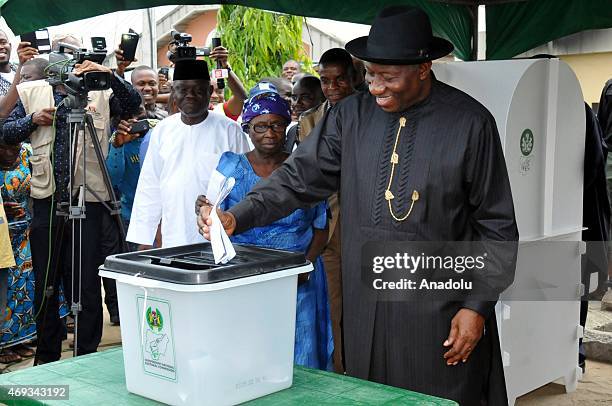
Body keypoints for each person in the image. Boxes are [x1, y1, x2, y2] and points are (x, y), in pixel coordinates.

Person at [198, 6, 518, 405]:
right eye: (370, 73)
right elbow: (298, 179)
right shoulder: (350, 117)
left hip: (439, 309)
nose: (376, 86)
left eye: (388, 76)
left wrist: (477, 307)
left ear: (423, 67)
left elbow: (498, 228)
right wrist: (235, 216)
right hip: (367, 308)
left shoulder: (471, 123)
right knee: (372, 395)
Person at [1, 50, 142, 363]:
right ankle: (47, 356)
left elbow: (134, 104)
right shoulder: (31, 92)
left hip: (89, 199)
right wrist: (32, 120)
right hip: (46, 199)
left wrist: (108, 74)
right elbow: (5, 130)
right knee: (47, 282)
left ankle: (87, 355)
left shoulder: (102, 91)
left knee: (87, 283)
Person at [197, 93, 333, 369]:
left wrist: (304, 268)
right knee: (250, 352)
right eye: (261, 126)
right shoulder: (231, 166)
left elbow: (321, 228)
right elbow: (210, 208)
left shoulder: (303, 169)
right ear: (247, 129)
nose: (270, 133)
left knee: (301, 353)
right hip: (247, 277)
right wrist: (203, 212)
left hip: (299, 279)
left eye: (277, 124)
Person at [127, 59, 250, 249]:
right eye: (183, 90)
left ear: (209, 92)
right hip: (173, 233)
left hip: (221, 234)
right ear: (173, 93)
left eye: (198, 90)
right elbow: (150, 185)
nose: (190, 96)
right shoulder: (162, 130)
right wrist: (146, 236)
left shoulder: (229, 130)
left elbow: (246, 182)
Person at [291, 47, 356, 372]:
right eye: (325, 81)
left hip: (367, 227)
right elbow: (310, 172)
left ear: (352, 78)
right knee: (334, 307)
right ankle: (342, 374)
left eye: (339, 80)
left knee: (367, 306)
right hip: (326, 229)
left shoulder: (372, 112)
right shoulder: (309, 121)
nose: (332, 88)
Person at [0, 142, 70, 363]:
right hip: (5, 232)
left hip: (27, 228)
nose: (11, 153)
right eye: (5, 149)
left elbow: (42, 185)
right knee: (8, 289)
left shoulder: (28, 153)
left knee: (27, 287)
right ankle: (4, 344)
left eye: (14, 148)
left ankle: (22, 339)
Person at [285, 76, 325, 152]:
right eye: (294, 98)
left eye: (305, 97)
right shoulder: (293, 131)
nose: (297, 103)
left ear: (323, 99)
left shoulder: (332, 131)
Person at [208, 46, 248, 121]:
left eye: (219, 91)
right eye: (209, 91)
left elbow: (241, 97)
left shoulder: (223, 110)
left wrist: (225, 67)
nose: (214, 96)